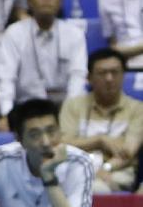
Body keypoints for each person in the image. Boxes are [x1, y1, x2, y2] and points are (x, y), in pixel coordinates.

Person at [0, 0, 87, 121]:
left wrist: (69, 114)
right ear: (30, 1)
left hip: (64, 107)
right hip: (26, 109)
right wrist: (7, 114)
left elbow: (78, 77)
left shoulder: (74, 34)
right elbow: (6, 77)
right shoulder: (14, 33)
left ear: (60, 1)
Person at [60, 48, 143, 193]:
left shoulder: (137, 109)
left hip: (116, 171)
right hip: (75, 168)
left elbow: (128, 152)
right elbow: (64, 144)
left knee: (95, 189)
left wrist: (105, 168)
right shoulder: (72, 105)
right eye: (102, 73)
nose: (109, 78)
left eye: (115, 72)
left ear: (123, 75)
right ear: (89, 78)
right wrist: (100, 140)